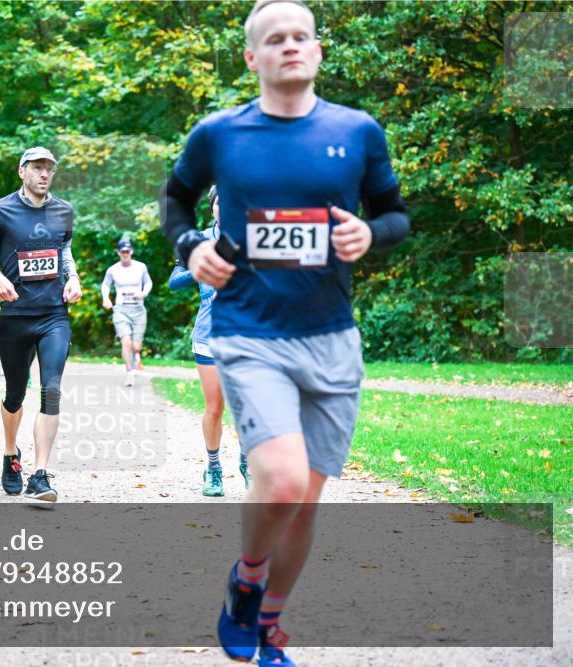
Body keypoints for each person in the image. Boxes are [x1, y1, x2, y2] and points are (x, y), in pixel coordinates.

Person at [159, 1, 410, 663]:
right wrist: (190, 247)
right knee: (282, 477)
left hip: (331, 337)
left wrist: (371, 234)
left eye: (302, 36)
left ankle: (267, 624)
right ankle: (246, 576)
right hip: (249, 331)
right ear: (253, 57)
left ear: (318, 50)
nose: (290, 46)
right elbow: (175, 198)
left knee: (306, 501)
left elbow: (395, 215)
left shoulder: (357, 131)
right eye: (275, 39)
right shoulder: (220, 134)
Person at [0, 146, 82, 502]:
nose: (44, 174)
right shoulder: (0, 211)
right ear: (22, 171)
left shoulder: (63, 210)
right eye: (37, 167)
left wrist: (73, 277)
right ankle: (11, 454)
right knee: (15, 394)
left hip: (54, 315)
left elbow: (64, 251)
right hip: (16, 315)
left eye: (49, 168)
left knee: (51, 389)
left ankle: (40, 475)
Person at [168, 185, 250, 497]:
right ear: (212, 207)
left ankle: (248, 464)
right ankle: (213, 469)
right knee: (215, 407)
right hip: (208, 335)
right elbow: (174, 281)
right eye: (220, 203)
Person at [101, 238, 152, 386]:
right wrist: (106, 298)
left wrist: (143, 293)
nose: (125, 254)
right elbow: (105, 285)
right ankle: (129, 372)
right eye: (122, 252)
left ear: (131, 251)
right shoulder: (112, 270)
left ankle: (136, 358)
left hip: (138, 310)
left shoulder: (141, 267)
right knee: (126, 342)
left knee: (136, 346)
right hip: (121, 310)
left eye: (127, 251)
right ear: (118, 252)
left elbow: (148, 282)